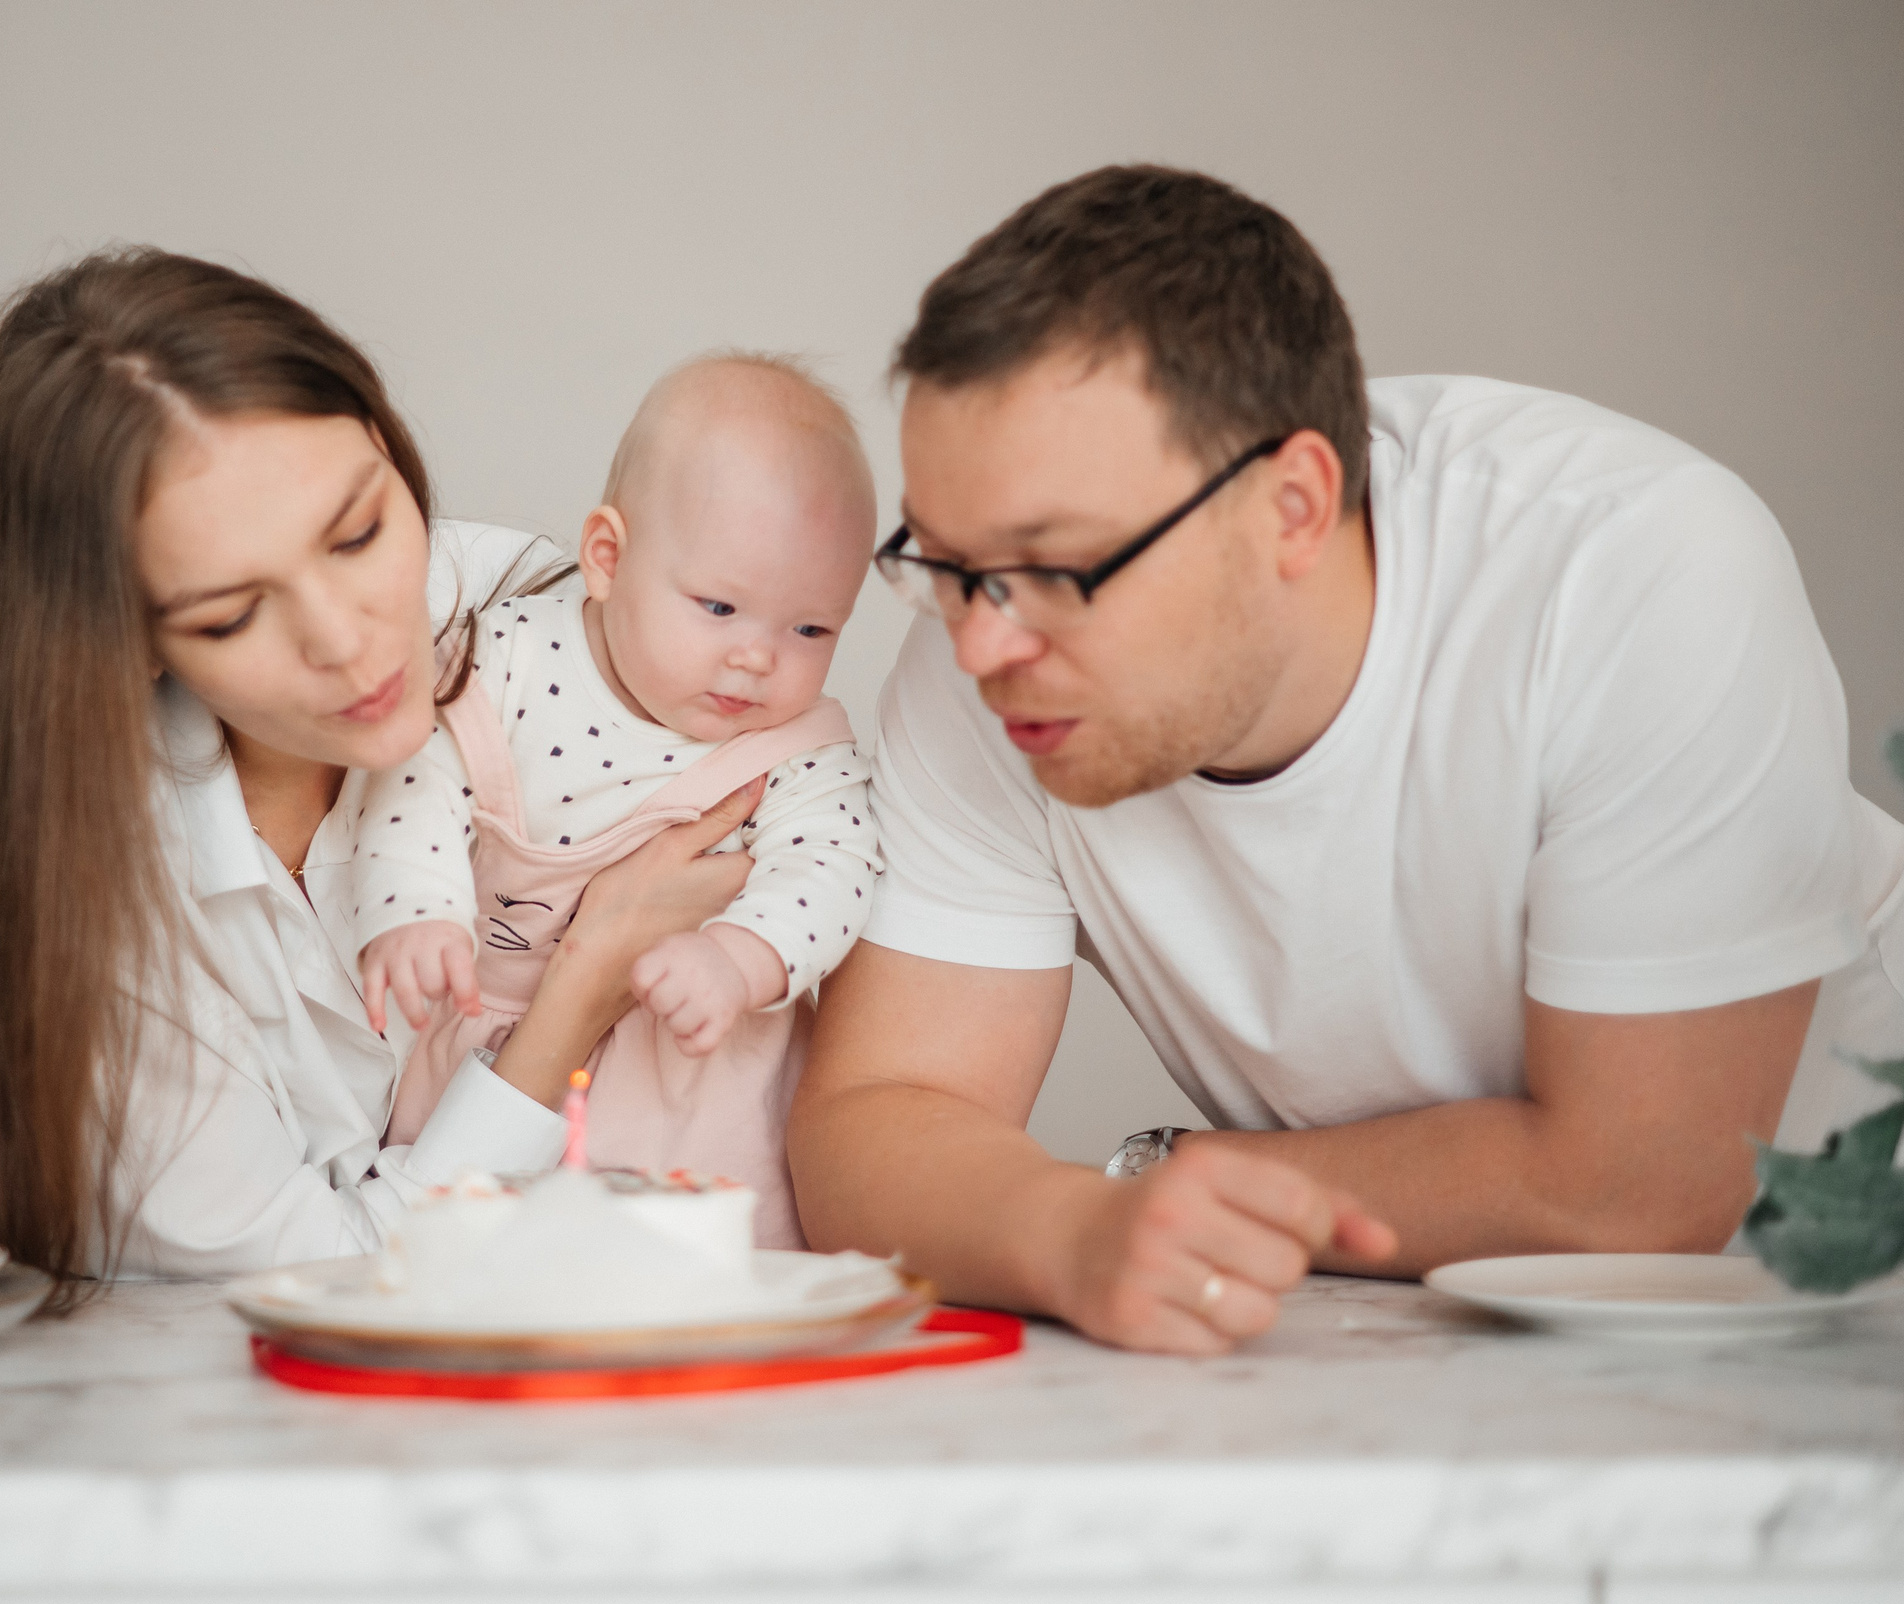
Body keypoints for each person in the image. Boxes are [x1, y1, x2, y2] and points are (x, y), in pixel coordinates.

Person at [788, 165, 1904, 1355]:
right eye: (946, 564)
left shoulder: (1634, 567)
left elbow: (1637, 1194)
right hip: (1400, 1322)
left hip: (1838, 1305)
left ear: (1293, 507)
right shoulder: (986, 649)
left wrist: (1178, 1178)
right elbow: (872, 1121)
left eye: (1055, 565)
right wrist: (1067, 1228)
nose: (980, 639)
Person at [0, 249, 764, 1295]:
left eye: (360, 531)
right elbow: (314, 1279)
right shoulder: (88, 913)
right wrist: (583, 981)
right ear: (120, 639)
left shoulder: (530, 611)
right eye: (233, 613)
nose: (348, 637)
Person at [349, 355, 882, 1246]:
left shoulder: (798, 743)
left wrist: (740, 960)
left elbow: (836, 868)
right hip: (501, 1056)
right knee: (471, 1267)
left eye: (811, 628)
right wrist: (416, 908)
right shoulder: (506, 655)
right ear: (607, 557)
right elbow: (418, 771)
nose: (759, 657)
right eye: (720, 606)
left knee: (706, 1271)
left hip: (691, 1074)